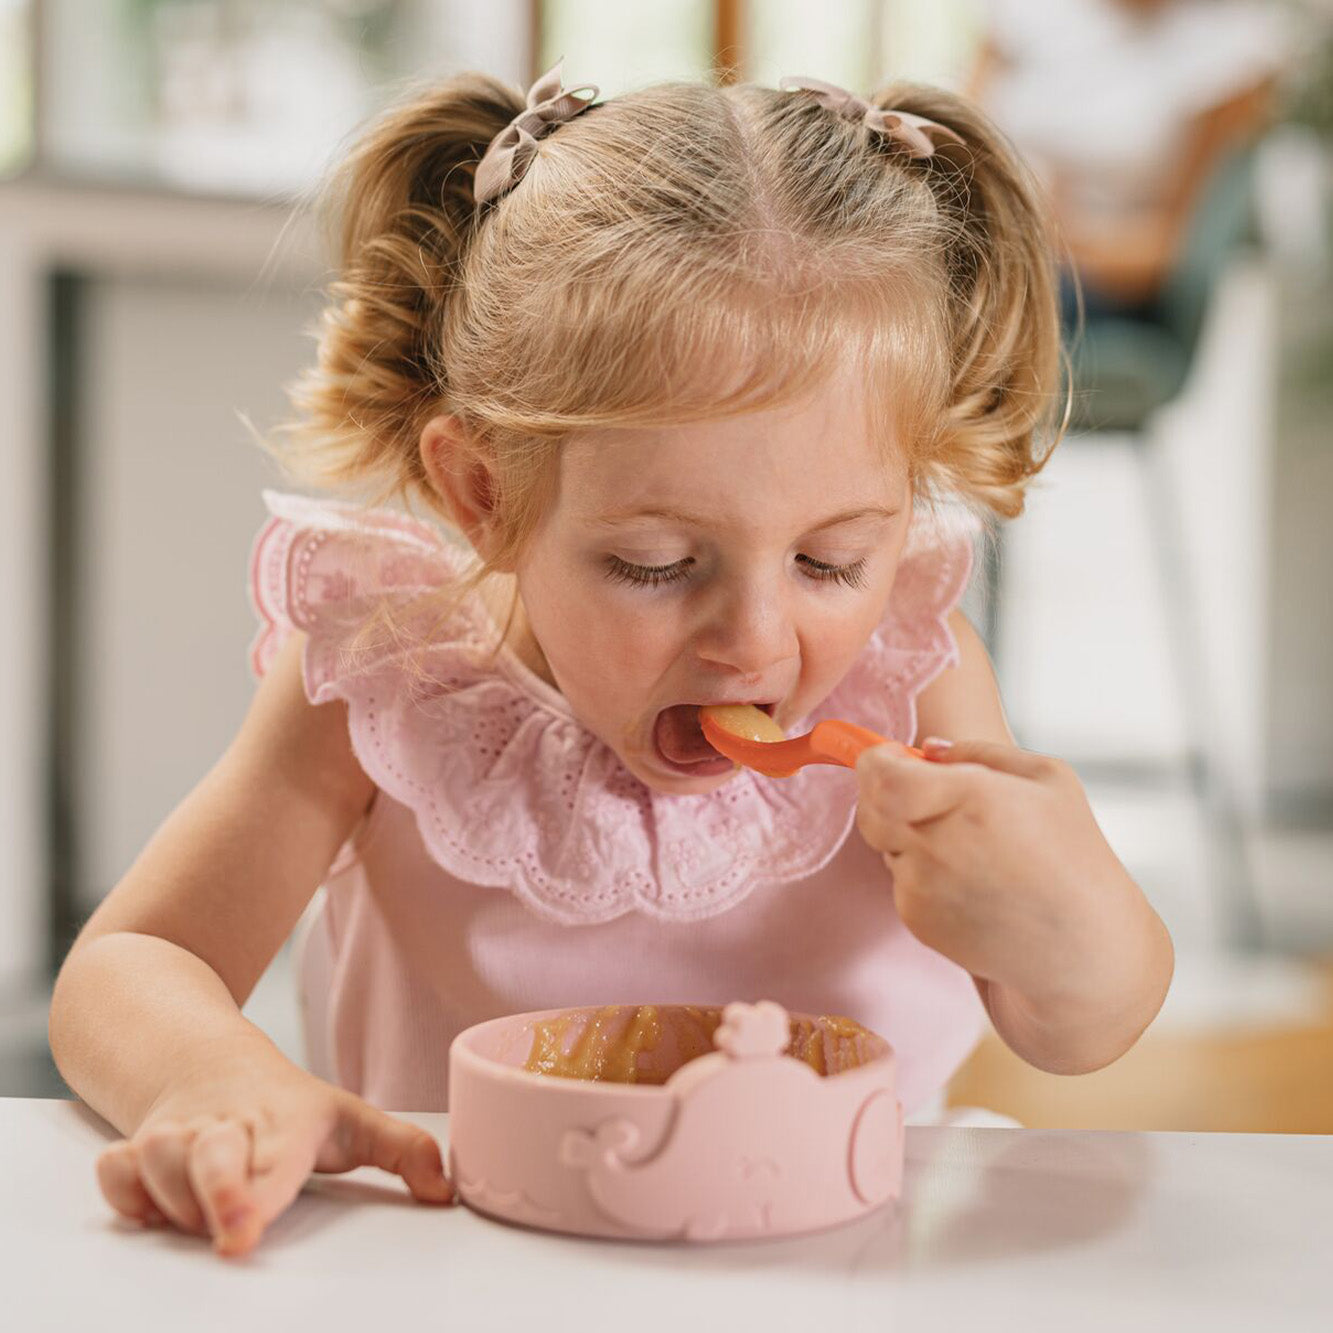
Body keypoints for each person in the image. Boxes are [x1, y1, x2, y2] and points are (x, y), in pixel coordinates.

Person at [48, 61, 1174, 1258]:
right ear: (483, 494)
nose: (754, 639)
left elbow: (1079, 1029)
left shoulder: (911, 673)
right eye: (655, 564)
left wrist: (1065, 920)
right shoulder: (393, 683)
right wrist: (214, 1079)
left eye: (829, 560)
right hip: (464, 1269)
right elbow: (130, 962)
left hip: (843, 1266)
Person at [966, 0, 1295, 330]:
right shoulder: (1024, 14)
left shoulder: (1228, 53)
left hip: (1087, 278)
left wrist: (1055, 237)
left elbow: (1165, 254)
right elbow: (964, 138)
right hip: (990, 229)